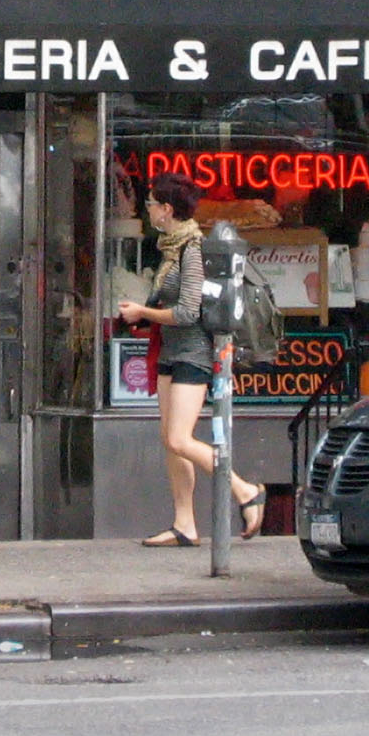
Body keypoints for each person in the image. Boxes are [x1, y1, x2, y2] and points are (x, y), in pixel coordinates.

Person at [115, 172, 267, 547]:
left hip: (193, 354)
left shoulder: (193, 250)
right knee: (170, 440)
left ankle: (246, 490)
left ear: (166, 209)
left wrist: (142, 313)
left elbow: (187, 312)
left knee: (180, 438)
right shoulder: (171, 247)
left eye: (150, 203)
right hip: (170, 351)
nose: (146, 209)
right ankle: (184, 523)